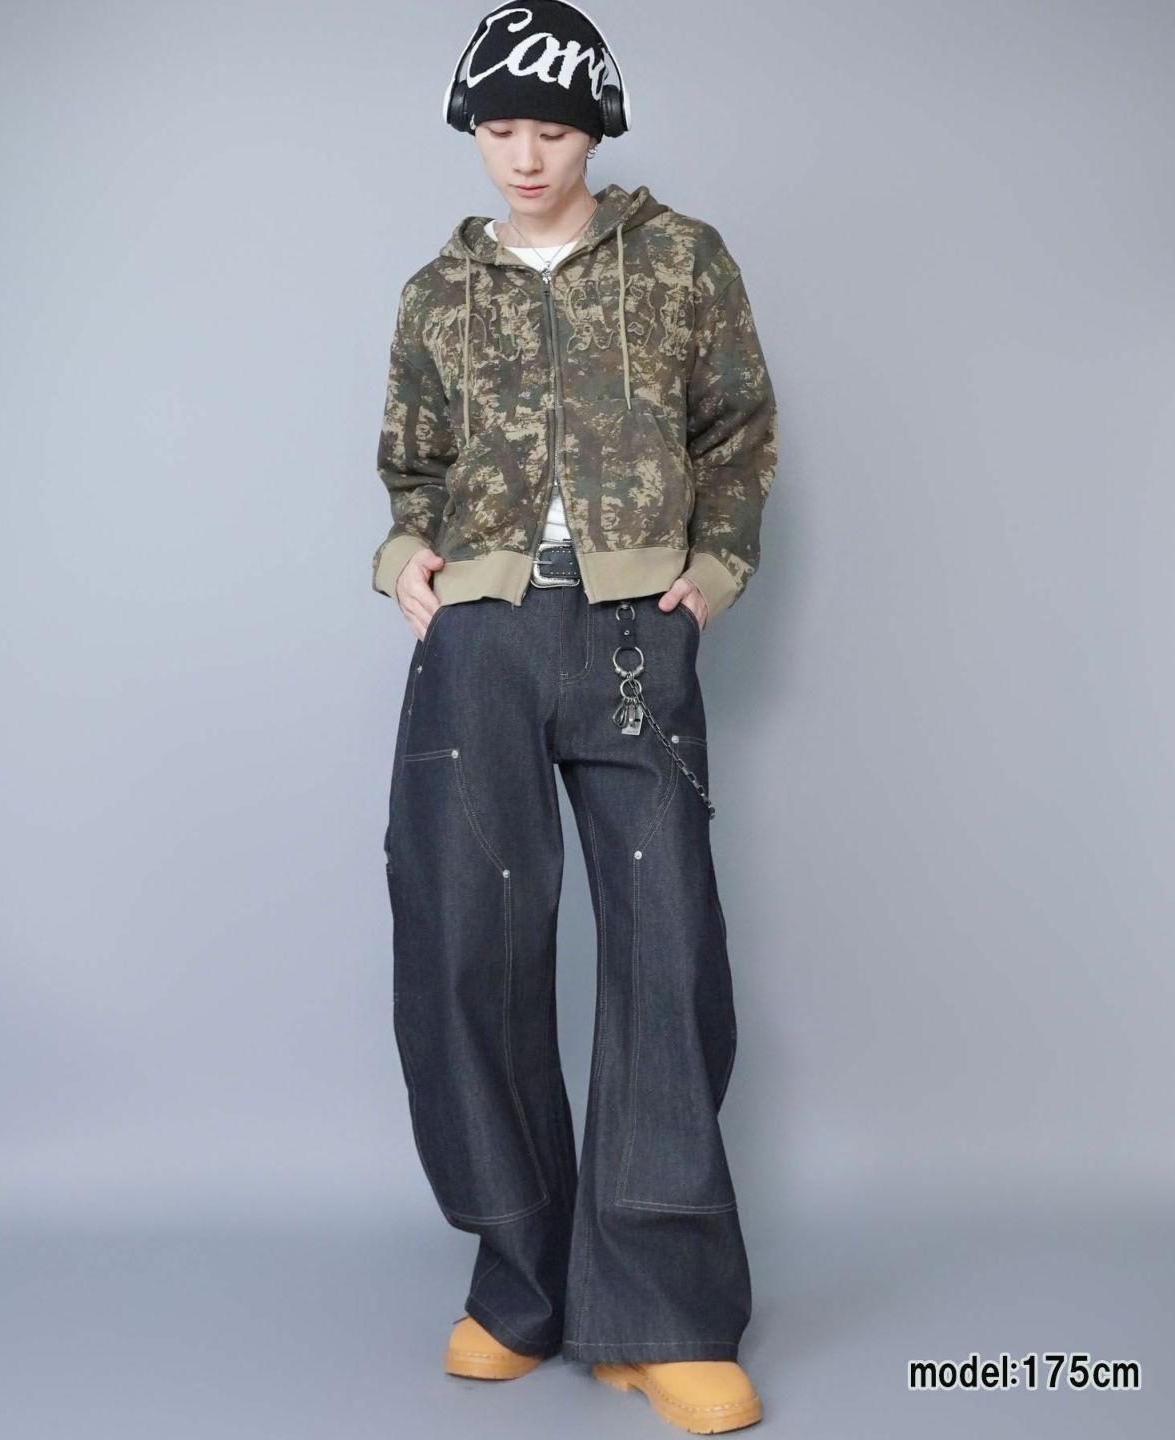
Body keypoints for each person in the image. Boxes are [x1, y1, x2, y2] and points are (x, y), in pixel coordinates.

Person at [372, 3, 778, 1431]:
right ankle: (522, 1282)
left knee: (666, 951)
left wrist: (710, 579)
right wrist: (406, 560)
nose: (526, 156)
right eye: (501, 130)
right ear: (474, 134)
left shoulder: (681, 260)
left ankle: (660, 1309)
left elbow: (738, 431)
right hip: (480, 635)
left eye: (550, 129)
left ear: (595, 128)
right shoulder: (438, 290)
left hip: (630, 633)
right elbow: (410, 462)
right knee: (463, 946)